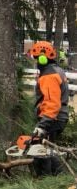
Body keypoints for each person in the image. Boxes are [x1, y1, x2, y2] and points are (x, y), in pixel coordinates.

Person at [27, 40, 70, 176]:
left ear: (42, 58)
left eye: (36, 58)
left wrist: (43, 125)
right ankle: (58, 180)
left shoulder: (49, 75)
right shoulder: (55, 71)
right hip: (56, 117)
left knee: (41, 152)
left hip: (53, 118)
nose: (35, 61)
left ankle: (46, 182)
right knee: (47, 150)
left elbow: (52, 103)